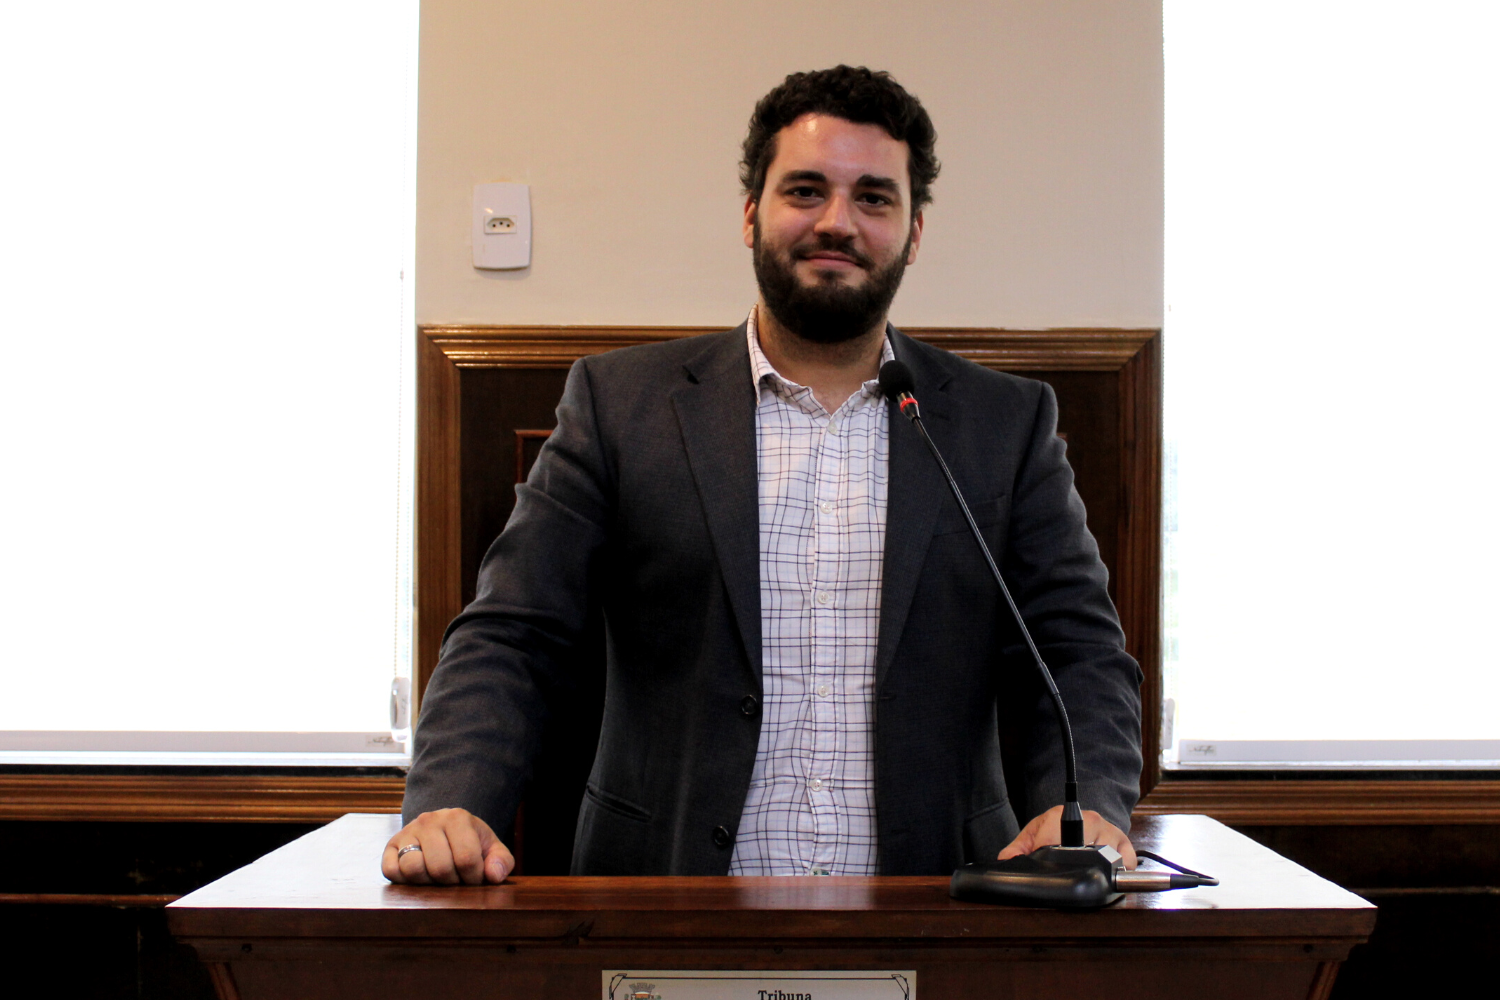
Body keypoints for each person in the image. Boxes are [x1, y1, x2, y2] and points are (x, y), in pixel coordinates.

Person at [385, 66, 1142, 885]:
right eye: (806, 191)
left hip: (938, 906)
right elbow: (515, 634)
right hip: (665, 903)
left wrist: (1085, 805)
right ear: (752, 213)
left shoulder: (1004, 425)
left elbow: (1077, 651)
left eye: (874, 198)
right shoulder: (621, 406)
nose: (837, 222)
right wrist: (452, 802)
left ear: (914, 231)